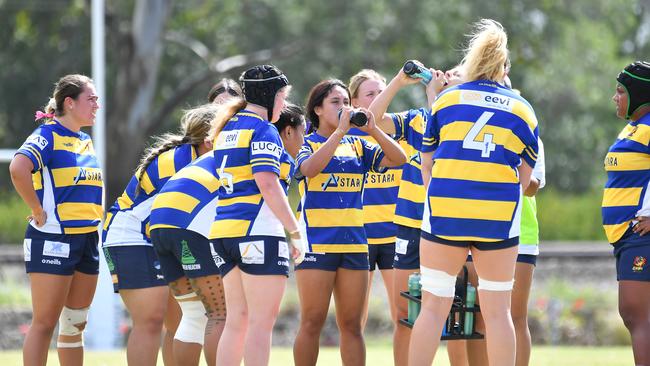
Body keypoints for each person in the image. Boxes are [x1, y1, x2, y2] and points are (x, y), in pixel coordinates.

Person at [409, 19, 539, 366]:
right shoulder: (523, 110)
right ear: (503, 65)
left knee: (433, 310)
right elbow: (525, 180)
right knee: (498, 314)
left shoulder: (447, 100)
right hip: (497, 220)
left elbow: (427, 165)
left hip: (445, 216)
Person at [293, 79, 406, 366]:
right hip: (316, 243)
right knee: (312, 322)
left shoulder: (357, 145)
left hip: (355, 244)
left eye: (346, 102)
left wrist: (374, 130)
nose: (343, 108)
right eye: (335, 102)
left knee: (352, 326)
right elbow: (308, 169)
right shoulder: (306, 142)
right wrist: (341, 130)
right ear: (317, 109)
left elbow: (399, 158)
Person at [102, 104, 217, 366]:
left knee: (182, 321)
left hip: (156, 238)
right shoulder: (179, 160)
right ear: (209, 138)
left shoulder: (200, 159)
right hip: (131, 237)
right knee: (151, 321)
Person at [209, 65, 306, 366]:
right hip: (257, 231)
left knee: (236, 321)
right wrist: (295, 231)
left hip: (223, 233)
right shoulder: (263, 130)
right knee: (260, 325)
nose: (283, 104)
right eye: (282, 96)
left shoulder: (226, 129)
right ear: (269, 95)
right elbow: (268, 184)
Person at [9, 74, 101, 366]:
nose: (97, 105)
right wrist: (37, 209)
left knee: (75, 324)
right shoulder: (47, 135)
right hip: (53, 238)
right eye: (92, 99)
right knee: (45, 322)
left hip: (87, 237)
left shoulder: (84, 139)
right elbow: (18, 167)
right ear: (70, 103)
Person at [464, 77, 547, 366]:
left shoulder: (526, 127)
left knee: (515, 315)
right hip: (478, 228)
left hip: (520, 230)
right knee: (477, 316)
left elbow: (534, 184)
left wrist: (502, 172)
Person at [368, 64, 439, 366]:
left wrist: (436, 97)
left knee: (456, 316)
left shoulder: (462, 120)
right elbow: (373, 120)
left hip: (444, 226)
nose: (444, 77)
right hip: (409, 224)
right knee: (404, 313)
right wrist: (398, 80)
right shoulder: (417, 120)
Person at [603, 60, 650, 366]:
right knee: (635, 315)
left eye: (621, 90)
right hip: (625, 236)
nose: (615, 97)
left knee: (637, 314)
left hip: (639, 235)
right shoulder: (635, 127)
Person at [347, 69, 401, 330]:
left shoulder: (399, 133)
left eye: (382, 93)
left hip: (394, 235)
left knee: (403, 314)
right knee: (356, 318)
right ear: (354, 102)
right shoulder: (344, 137)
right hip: (359, 236)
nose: (378, 98)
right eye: (370, 94)